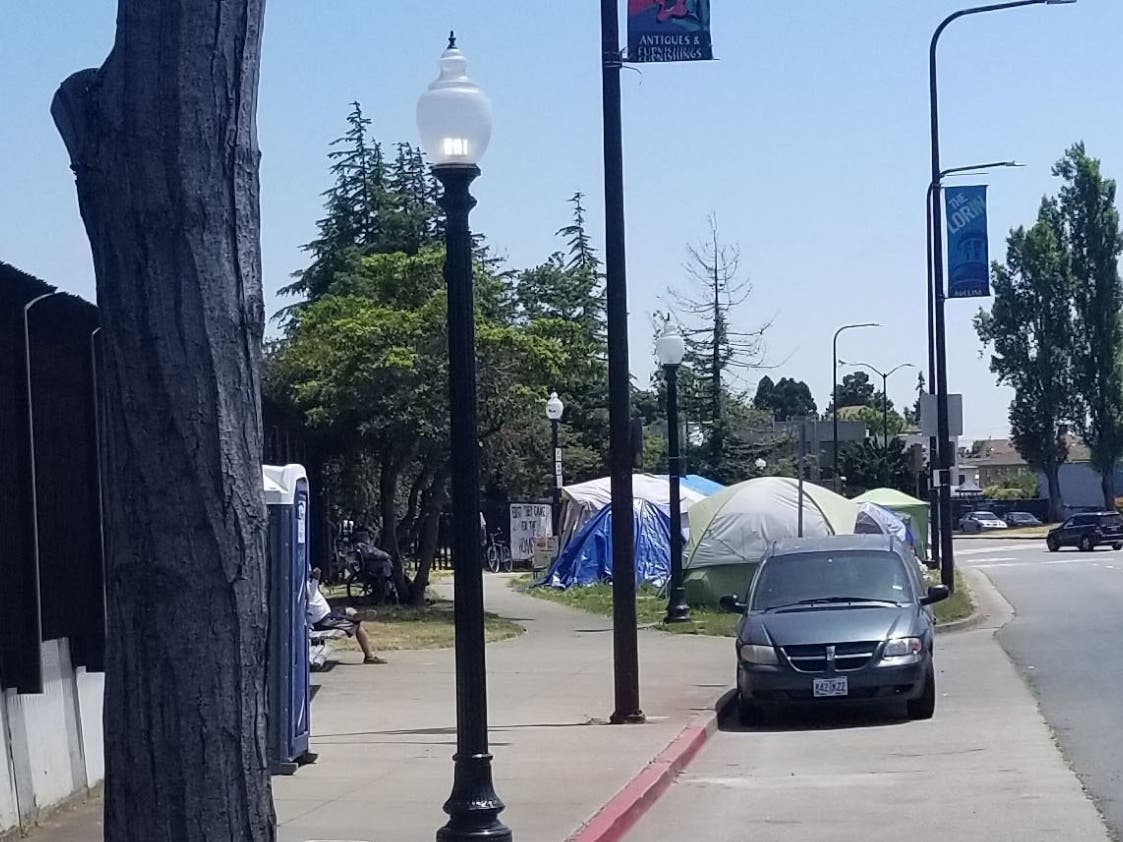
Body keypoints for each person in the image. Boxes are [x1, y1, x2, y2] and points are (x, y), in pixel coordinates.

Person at [307, 567, 386, 664]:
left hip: (328, 614)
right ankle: (369, 656)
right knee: (357, 625)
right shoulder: (305, 589)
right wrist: (316, 578)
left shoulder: (305, 585)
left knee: (349, 610)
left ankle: (355, 615)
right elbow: (312, 590)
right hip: (323, 621)